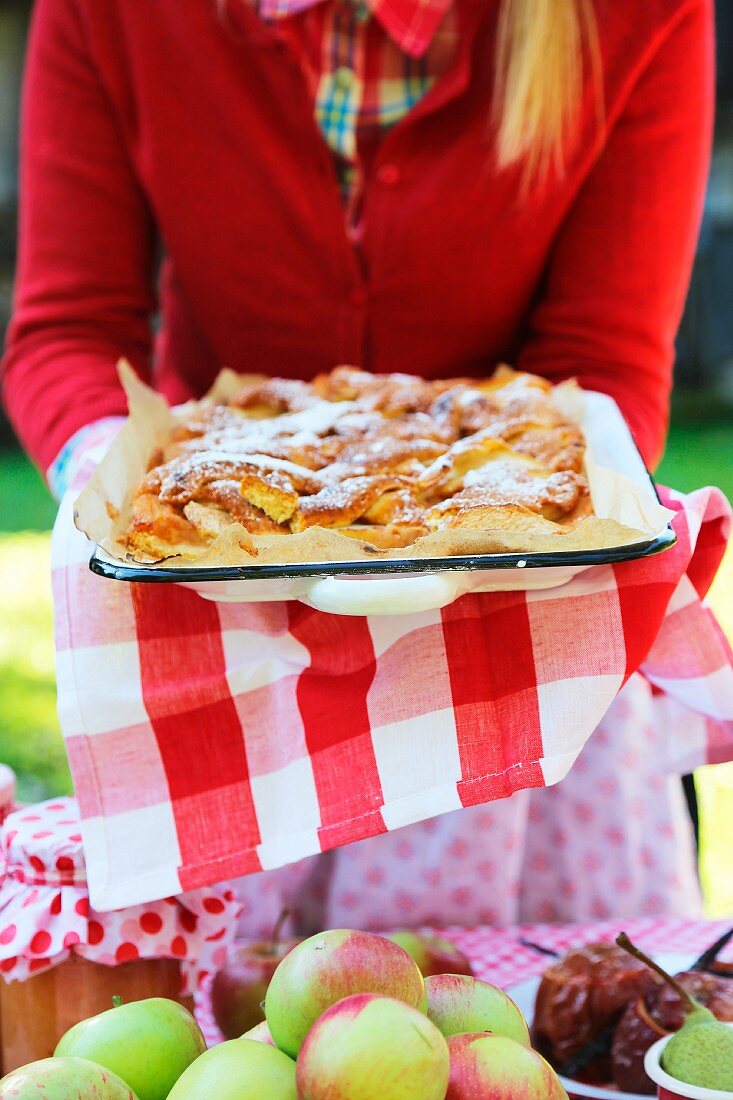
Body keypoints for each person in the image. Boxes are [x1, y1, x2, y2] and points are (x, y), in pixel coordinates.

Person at [1, 0, 713, 931]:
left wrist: (480, 520)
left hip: (513, 638)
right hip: (216, 639)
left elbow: (601, 363)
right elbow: (68, 330)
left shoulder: (634, 17)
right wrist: (116, 480)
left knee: (531, 1035)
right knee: (221, 1034)